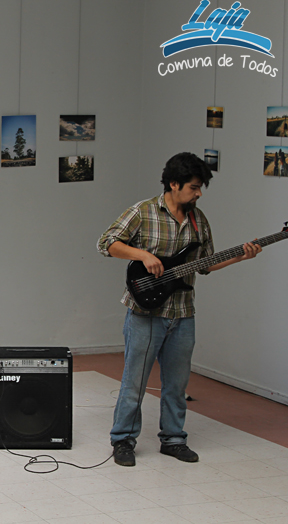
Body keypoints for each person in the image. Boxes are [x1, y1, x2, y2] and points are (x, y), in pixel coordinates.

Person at [97, 152, 261, 467]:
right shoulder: (143, 211)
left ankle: (173, 439)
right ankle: (123, 440)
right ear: (174, 184)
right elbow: (106, 243)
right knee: (135, 381)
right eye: (194, 187)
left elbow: (206, 264)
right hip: (145, 312)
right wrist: (143, 255)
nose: (198, 194)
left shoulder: (199, 220)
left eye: (200, 188)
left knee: (176, 383)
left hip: (182, 312)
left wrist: (241, 256)